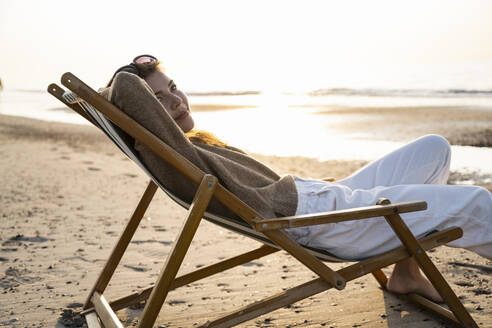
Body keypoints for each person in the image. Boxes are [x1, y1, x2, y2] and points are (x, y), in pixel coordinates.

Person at [102, 55, 492, 303]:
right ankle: (407, 268)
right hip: (320, 221)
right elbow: (126, 89)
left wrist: (313, 185)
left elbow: (262, 188)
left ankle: (406, 273)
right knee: (477, 204)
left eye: (173, 88)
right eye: (159, 100)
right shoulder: (165, 149)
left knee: (434, 149)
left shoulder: (186, 147)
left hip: (321, 200)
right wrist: (109, 90)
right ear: (142, 115)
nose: (177, 101)